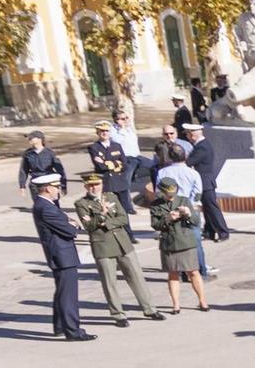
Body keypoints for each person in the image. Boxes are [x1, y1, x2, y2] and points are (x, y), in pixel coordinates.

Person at [73, 172, 162, 325]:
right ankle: (118, 314)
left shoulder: (111, 197)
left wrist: (104, 223)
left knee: (136, 277)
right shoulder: (81, 204)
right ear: (86, 186)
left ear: (102, 184)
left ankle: (150, 309)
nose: (95, 188)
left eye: (98, 184)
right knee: (109, 283)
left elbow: (123, 218)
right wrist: (101, 215)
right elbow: (88, 226)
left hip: (123, 243)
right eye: (91, 185)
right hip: (103, 246)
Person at [30, 175, 90, 340]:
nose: (58, 191)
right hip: (62, 255)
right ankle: (73, 331)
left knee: (62, 292)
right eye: (56, 187)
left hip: (61, 254)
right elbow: (70, 230)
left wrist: (69, 222)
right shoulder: (46, 208)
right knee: (68, 296)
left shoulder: (46, 205)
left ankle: (59, 327)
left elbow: (65, 221)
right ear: (48, 188)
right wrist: (72, 225)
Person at [150, 179, 210, 314]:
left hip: (186, 241)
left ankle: (202, 301)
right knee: (173, 274)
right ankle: (176, 305)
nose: (171, 195)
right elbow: (155, 224)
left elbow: (196, 222)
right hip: (169, 243)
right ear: (162, 191)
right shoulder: (156, 205)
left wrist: (188, 214)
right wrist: (168, 219)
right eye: (168, 193)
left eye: (173, 192)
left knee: (193, 272)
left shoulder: (184, 200)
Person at [182, 122, 227, 241]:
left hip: (205, 182)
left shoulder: (202, 147)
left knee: (212, 208)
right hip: (202, 182)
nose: (187, 137)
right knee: (207, 209)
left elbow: (189, 162)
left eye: (188, 134)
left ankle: (223, 232)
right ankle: (209, 232)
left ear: (193, 135)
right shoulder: (201, 145)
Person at [17, 129, 66, 195]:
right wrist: (22, 186)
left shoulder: (50, 153)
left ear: (39, 139)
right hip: (35, 183)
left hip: (49, 182)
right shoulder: (27, 154)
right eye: (29, 138)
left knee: (51, 204)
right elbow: (23, 171)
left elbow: (60, 170)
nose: (29, 139)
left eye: (32, 138)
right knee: (38, 204)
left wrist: (63, 186)